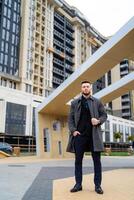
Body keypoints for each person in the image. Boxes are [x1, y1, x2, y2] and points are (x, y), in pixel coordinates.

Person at [68, 80, 107, 194]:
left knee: (97, 162)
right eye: (83, 87)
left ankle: (98, 186)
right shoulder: (75, 103)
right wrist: (73, 130)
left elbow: (104, 115)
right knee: (78, 161)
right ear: (81, 89)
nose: (85, 88)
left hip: (94, 136)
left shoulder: (97, 101)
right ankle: (78, 184)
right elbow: (70, 118)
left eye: (87, 87)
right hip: (79, 136)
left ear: (90, 88)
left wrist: (98, 121)